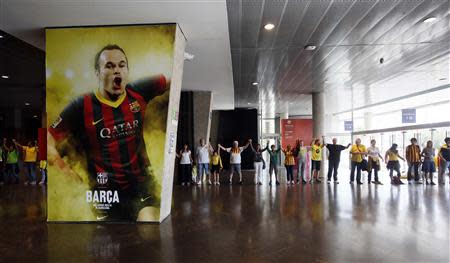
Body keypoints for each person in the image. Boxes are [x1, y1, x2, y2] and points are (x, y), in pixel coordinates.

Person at [47, 44, 168, 221]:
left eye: (121, 65)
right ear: (97, 73)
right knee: (110, 241)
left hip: (141, 184)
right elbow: (46, 138)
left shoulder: (138, 91)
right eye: (109, 66)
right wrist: (64, 168)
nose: (117, 71)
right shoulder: (81, 105)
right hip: (104, 192)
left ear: (127, 70)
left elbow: (172, 77)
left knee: (147, 224)